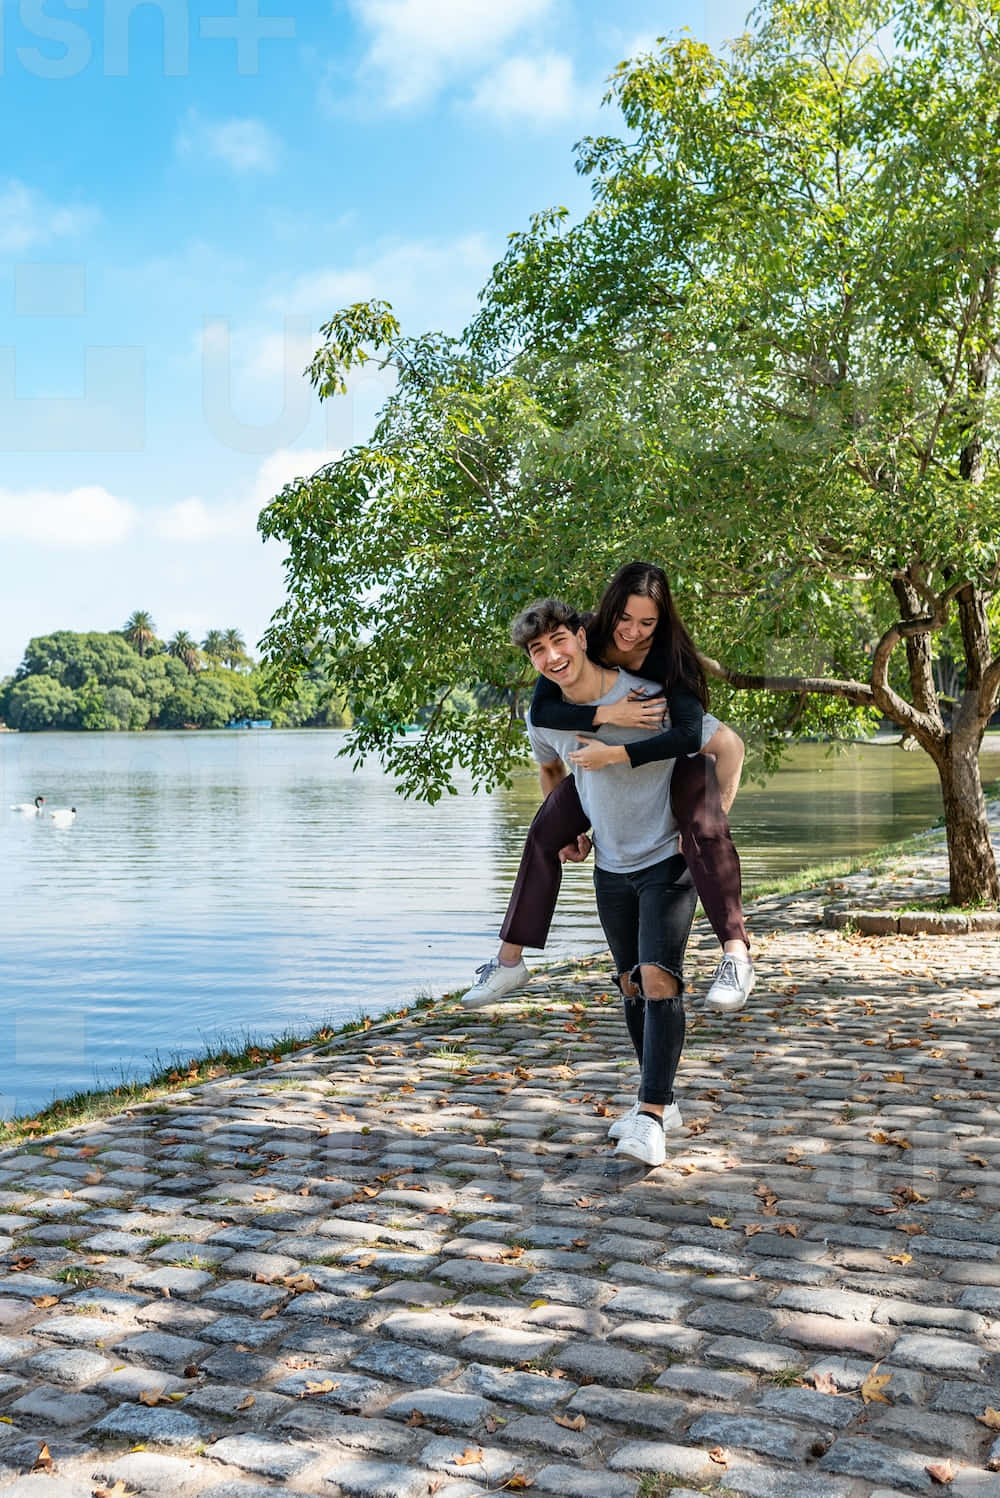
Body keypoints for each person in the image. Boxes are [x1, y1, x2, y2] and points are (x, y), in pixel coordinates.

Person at [462, 562, 753, 1013]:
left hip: (672, 767)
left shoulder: (671, 663)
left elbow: (724, 745)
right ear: (603, 616)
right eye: (624, 619)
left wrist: (706, 830)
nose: (633, 632)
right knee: (542, 833)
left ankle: (736, 957)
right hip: (594, 771)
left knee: (702, 816)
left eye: (647, 623)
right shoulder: (579, 639)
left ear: (662, 622)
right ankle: (509, 962)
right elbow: (544, 714)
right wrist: (610, 717)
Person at [501, 597, 707, 1166]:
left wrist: (709, 828)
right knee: (631, 985)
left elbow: (709, 740)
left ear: (583, 637)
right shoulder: (546, 713)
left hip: (668, 856)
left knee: (659, 978)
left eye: (558, 641)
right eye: (538, 650)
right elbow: (549, 766)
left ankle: (651, 1117)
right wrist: (568, 827)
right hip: (610, 865)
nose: (551, 656)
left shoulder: (644, 692)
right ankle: (659, 1099)